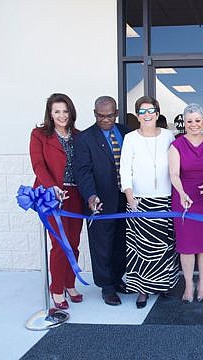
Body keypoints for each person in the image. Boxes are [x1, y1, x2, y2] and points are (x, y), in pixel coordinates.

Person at [120, 95, 179, 309]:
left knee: (163, 245)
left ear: (157, 112)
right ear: (138, 115)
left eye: (150, 110)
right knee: (141, 248)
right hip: (138, 200)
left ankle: (163, 285)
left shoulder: (168, 136)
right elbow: (125, 169)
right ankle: (142, 290)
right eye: (142, 111)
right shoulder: (130, 138)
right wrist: (129, 196)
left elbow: (175, 167)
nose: (147, 115)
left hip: (164, 198)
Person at [73, 96, 130, 306]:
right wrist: (90, 196)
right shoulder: (85, 139)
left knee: (120, 242)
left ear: (116, 113)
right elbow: (83, 172)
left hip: (124, 199)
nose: (105, 120)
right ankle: (107, 287)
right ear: (95, 113)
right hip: (100, 201)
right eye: (100, 116)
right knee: (102, 245)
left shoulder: (126, 133)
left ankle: (117, 279)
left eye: (109, 115)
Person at [29, 93, 84, 309]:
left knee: (74, 243)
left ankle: (70, 284)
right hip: (51, 196)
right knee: (60, 245)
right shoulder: (39, 135)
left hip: (75, 195)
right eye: (57, 111)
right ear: (50, 114)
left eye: (65, 111)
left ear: (71, 112)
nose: (62, 115)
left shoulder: (79, 136)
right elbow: (38, 165)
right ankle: (57, 289)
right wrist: (52, 187)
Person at [169, 104, 203, 303]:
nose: (194, 125)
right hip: (184, 199)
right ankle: (189, 285)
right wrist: (182, 193)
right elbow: (173, 174)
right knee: (187, 246)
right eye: (189, 121)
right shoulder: (176, 145)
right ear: (184, 123)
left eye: (197, 120)